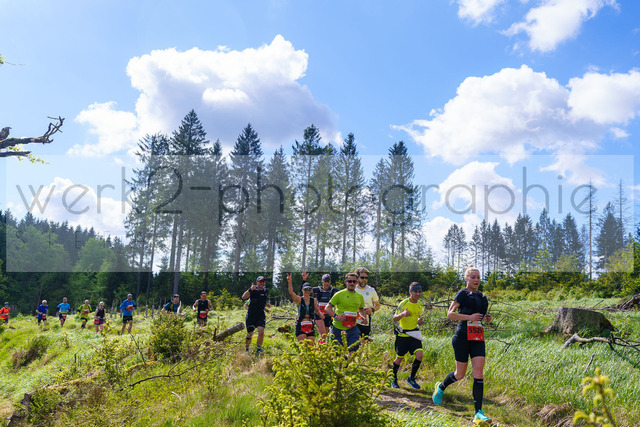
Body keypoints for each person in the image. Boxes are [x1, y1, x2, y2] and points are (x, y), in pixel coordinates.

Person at [432, 266, 493, 425]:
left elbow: (479, 316)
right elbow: (450, 314)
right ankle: (441, 387)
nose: (476, 280)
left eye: (478, 277)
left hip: (477, 337)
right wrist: (469, 317)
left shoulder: (482, 296)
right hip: (462, 337)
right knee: (460, 374)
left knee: (478, 372)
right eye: (473, 277)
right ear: (466, 279)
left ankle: (478, 413)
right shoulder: (462, 294)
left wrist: (486, 318)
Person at [390, 282, 425, 390]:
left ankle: (411, 378)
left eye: (419, 292)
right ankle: (393, 378)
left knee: (419, 355)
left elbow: (417, 316)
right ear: (410, 292)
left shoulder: (420, 304)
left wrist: (419, 321)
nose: (418, 294)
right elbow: (394, 318)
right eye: (415, 292)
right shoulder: (404, 303)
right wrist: (402, 314)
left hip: (414, 334)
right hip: (403, 334)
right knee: (399, 358)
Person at [325, 272, 366, 353]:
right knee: (338, 354)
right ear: (345, 282)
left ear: (356, 282)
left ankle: (349, 360)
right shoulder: (339, 294)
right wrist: (336, 316)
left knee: (353, 352)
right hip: (338, 328)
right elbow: (327, 308)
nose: (352, 283)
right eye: (349, 281)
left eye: (354, 281)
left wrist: (364, 317)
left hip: (352, 328)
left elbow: (361, 310)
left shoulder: (360, 297)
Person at [287, 273, 324, 344]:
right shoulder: (299, 299)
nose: (307, 291)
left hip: (310, 324)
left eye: (309, 289)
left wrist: (320, 314)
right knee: (303, 346)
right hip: (301, 324)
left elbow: (316, 310)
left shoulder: (314, 300)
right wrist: (289, 282)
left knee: (311, 346)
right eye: (305, 289)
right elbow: (291, 293)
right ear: (302, 290)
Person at [242, 276, 271, 356]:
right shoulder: (253, 290)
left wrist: (266, 306)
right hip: (251, 315)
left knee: (261, 331)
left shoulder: (265, 291)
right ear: (257, 282)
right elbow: (243, 297)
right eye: (260, 281)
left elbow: (261, 302)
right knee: (250, 333)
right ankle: (247, 348)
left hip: (260, 314)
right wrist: (250, 289)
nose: (262, 283)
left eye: (263, 281)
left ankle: (258, 349)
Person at [354, 267, 380, 338]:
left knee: (364, 342)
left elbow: (377, 305)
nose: (364, 280)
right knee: (354, 341)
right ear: (357, 278)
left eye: (366, 278)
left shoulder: (371, 290)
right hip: (353, 320)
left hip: (365, 321)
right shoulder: (352, 289)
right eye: (362, 277)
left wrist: (372, 309)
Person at [312, 273, 338, 339]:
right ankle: (321, 345)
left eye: (328, 282)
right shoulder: (318, 289)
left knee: (324, 335)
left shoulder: (333, 290)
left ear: (330, 282)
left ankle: (320, 345)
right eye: (325, 281)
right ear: (322, 281)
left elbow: (343, 293)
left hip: (328, 315)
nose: (326, 283)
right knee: (323, 334)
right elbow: (305, 289)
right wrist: (304, 280)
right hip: (319, 314)